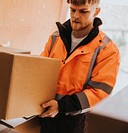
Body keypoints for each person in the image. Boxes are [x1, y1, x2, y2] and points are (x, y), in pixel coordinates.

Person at [39, 0, 120, 133]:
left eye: (83, 11)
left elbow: (100, 93)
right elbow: (40, 71)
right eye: (72, 10)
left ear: (96, 12)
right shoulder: (55, 38)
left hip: (76, 121)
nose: (76, 16)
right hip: (46, 112)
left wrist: (61, 106)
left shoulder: (107, 49)